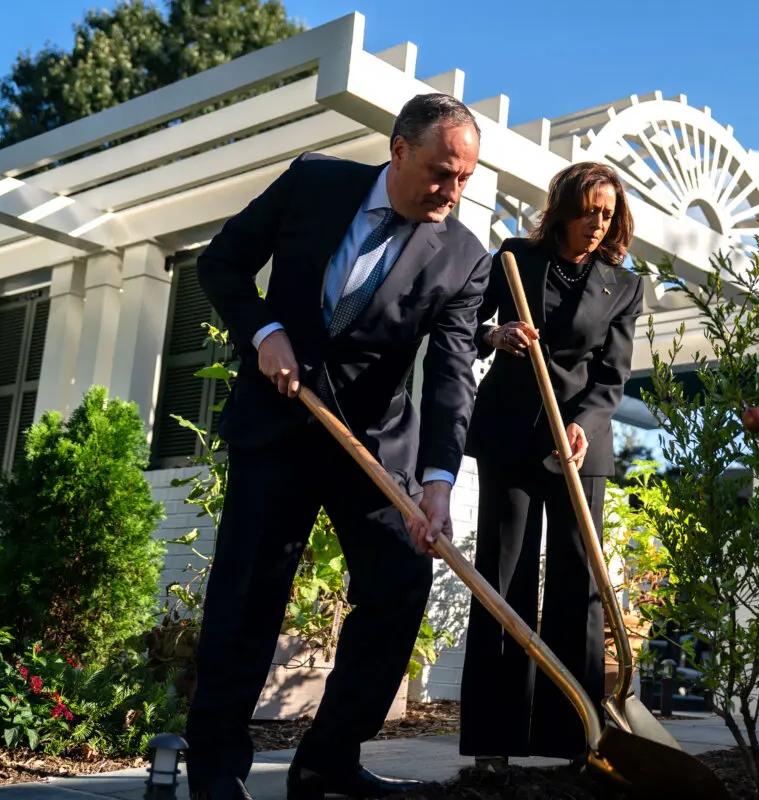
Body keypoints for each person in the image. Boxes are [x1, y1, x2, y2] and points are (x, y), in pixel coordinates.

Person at [186, 93, 492, 800]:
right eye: (442, 172)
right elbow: (222, 266)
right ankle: (214, 771)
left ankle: (326, 763)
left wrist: (438, 481)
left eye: (465, 178)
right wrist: (265, 336)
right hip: (277, 429)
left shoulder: (464, 258)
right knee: (246, 599)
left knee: (400, 585)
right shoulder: (313, 184)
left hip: (374, 448)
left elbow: (450, 374)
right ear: (399, 150)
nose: (452, 191)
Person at [458, 162, 643, 766]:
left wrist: (581, 425)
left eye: (608, 213)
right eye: (589, 209)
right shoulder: (515, 258)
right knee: (503, 580)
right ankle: (493, 741)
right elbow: (466, 324)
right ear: (564, 207)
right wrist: (497, 336)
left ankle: (575, 739)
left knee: (576, 587)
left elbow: (612, 377)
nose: (597, 223)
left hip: (579, 447)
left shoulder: (623, 285)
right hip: (510, 434)